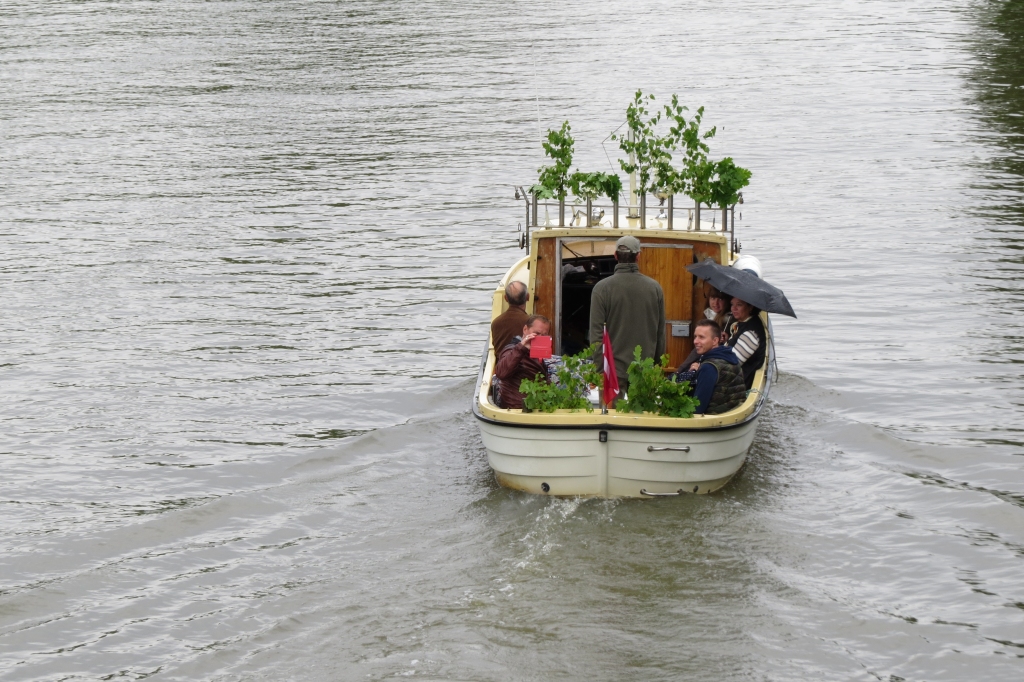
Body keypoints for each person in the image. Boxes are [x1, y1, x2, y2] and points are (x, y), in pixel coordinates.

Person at [588, 235, 666, 398]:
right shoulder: (655, 288)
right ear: (638, 256)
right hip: (644, 366)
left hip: (612, 369)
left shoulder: (601, 289)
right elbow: (660, 332)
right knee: (642, 417)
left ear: (615, 256)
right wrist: (657, 363)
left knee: (610, 418)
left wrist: (599, 369)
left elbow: (596, 334)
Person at [686, 319, 746, 415]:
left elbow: (697, 409)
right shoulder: (729, 356)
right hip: (733, 413)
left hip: (714, 420)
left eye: (701, 337)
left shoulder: (708, 368)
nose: (695, 341)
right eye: (695, 337)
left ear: (715, 341)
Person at [494, 315, 552, 410]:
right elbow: (501, 372)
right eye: (536, 333)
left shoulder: (537, 353)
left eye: (544, 336)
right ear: (525, 329)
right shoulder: (512, 350)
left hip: (537, 405)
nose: (540, 338)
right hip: (519, 408)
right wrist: (522, 347)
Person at [678, 287, 734, 374]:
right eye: (713, 298)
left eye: (720, 299)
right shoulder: (709, 315)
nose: (715, 303)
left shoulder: (728, 321)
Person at [726, 296, 766, 389]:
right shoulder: (744, 323)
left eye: (739, 305)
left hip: (740, 385)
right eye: (732, 304)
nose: (733, 308)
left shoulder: (751, 333)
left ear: (750, 307)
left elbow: (731, 365)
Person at [491, 280, 530, 355]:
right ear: (528, 297)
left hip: (502, 365)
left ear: (505, 298)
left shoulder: (496, 322)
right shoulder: (530, 322)